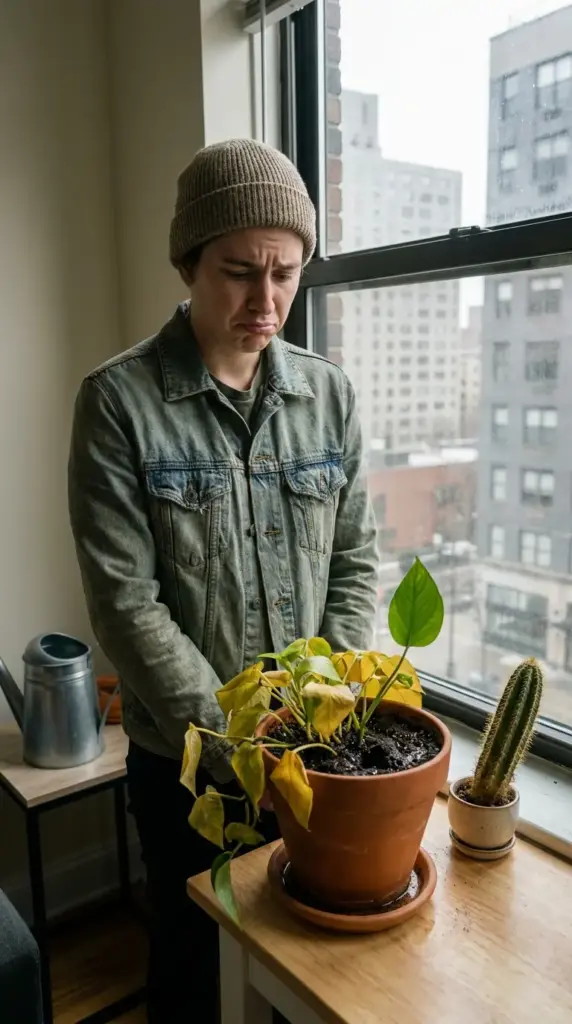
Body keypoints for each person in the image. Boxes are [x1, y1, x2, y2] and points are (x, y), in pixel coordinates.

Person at [68, 138, 379, 1023]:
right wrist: (242, 737)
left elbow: (354, 564)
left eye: (286, 273)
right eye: (241, 271)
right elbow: (125, 602)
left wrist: (317, 713)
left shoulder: (332, 397)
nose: (267, 300)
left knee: (300, 970)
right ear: (188, 262)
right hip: (189, 769)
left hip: (318, 754)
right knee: (198, 967)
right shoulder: (118, 404)